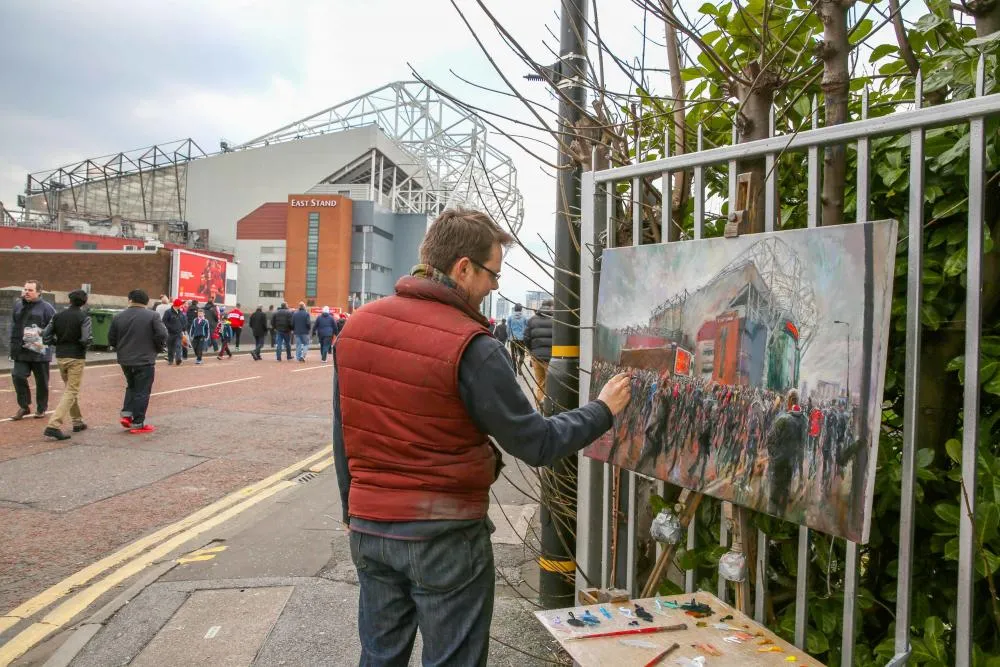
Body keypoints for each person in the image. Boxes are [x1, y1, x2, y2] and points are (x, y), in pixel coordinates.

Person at [334, 208, 632, 666]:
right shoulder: (471, 346)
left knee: (379, 657)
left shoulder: (358, 326)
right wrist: (602, 410)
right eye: (493, 273)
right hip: (444, 535)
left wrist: (352, 512)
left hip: (370, 528)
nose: (495, 285)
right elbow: (535, 443)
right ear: (463, 267)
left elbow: (344, 435)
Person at [108, 289, 167, 434]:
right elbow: (162, 334)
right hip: (145, 359)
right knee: (142, 390)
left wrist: (121, 348)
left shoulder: (118, 316)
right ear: (146, 302)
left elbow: (111, 338)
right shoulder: (152, 315)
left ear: (130, 300)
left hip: (125, 359)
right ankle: (138, 422)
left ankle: (127, 414)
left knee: (131, 386)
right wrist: (158, 348)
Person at [41, 290, 92, 440]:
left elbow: (45, 335)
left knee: (70, 389)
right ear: (84, 302)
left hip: (61, 356)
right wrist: (85, 345)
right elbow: (85, 339)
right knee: (71, 391)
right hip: (76, 357)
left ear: (69, 301)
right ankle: (53, 425)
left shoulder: (57, 316)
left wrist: (57, 342)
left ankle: (77, 421)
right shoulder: (84, 317)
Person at [9, 279, 56, 420]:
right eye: (25, 289)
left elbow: (54, 326)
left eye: (30, 290)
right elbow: (14, 325)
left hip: (39, 351)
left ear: (39, 292)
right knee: (18, 376)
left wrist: (42, 334)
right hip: (21, 350)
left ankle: (41, 408)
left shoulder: (47, 308)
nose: (26, 292)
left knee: (42, 382)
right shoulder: (18, 306)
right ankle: (24, 406)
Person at [765, 389, 807, 515]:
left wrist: (773, 457)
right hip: (790, 463)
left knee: (773, 497)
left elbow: (770, 439)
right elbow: (802, 445)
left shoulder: (782, 418)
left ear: (788, 401)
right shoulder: (804, 420)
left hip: (778, 464)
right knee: (785, 491)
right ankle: (780, 517)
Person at [523, 298, 554, 406]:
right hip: (551, 358)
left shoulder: (532, 320)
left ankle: (539, 408)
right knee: (550, 385)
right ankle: (547, 408)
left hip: (536, 357)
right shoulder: (555, 320)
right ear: (551, 307)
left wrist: (532, 351)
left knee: (540, 384)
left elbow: (526, 338)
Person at [162, 299, 187, 366]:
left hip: (179, 333)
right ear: (176, 305)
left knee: (178, 346)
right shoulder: (168, 312)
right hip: (170, 333)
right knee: (170, 348)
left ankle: (178, 359)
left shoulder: (181, 312)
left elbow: (184, 321)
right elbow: (164, 321)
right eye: (180, 305)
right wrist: (170, 328)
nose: (181, 306)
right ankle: (170, 360)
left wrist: (183, 328)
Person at [507, 303, 528, 372]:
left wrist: (509, 337)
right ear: (521, 309)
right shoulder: (525, 317)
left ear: (515, 308)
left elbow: (508, 329)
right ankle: (519, 365)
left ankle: (514, 369)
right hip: (521, 339)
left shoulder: (510, 317)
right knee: (522, 354)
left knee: (513, 354)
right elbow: (527, 328)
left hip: (513, 338)